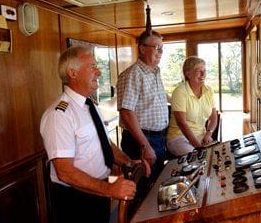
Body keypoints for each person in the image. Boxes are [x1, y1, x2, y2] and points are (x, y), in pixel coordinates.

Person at [40, 46, 149, 223]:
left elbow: (105, 143)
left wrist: (128, 162)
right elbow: (65, 172)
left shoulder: (90, 106)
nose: (98, 71)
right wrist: (109, 189)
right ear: (72, 73)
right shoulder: (59, 115)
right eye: (92, 66)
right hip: (76, 199)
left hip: (98, 190)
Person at [116, 30, 169, 185]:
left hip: (158, 138)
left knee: (156, 186)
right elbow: (126, 113)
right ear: (142, 48)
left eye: (161, 48)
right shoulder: (133, 74)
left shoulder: (155, 72)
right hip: (142, 141)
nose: (160, 52)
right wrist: (145, 146)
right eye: (156, 47)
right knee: (142, 191)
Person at [167, 56, 218, 157]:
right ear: (188, 74)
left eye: (205, 71)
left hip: (201, 135)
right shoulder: (180, 91)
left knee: (216, 156)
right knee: (197, 158)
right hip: (179, 137)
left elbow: (213, 117)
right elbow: (182, 123)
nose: (203, 74)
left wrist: (208, 133)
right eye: (199, 71)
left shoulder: (208, 90)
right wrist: (198, 147)